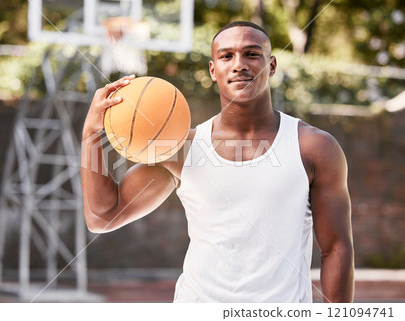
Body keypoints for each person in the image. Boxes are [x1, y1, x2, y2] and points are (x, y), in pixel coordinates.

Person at [81, 21, 354, 303]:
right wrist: (91, 134)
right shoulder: (180, 149)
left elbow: (336, 248)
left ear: (271, 65)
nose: (239, 65)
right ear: (213, 70)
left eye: (251, 54)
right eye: (226, 56)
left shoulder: (313, 147)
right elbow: (102, 216)